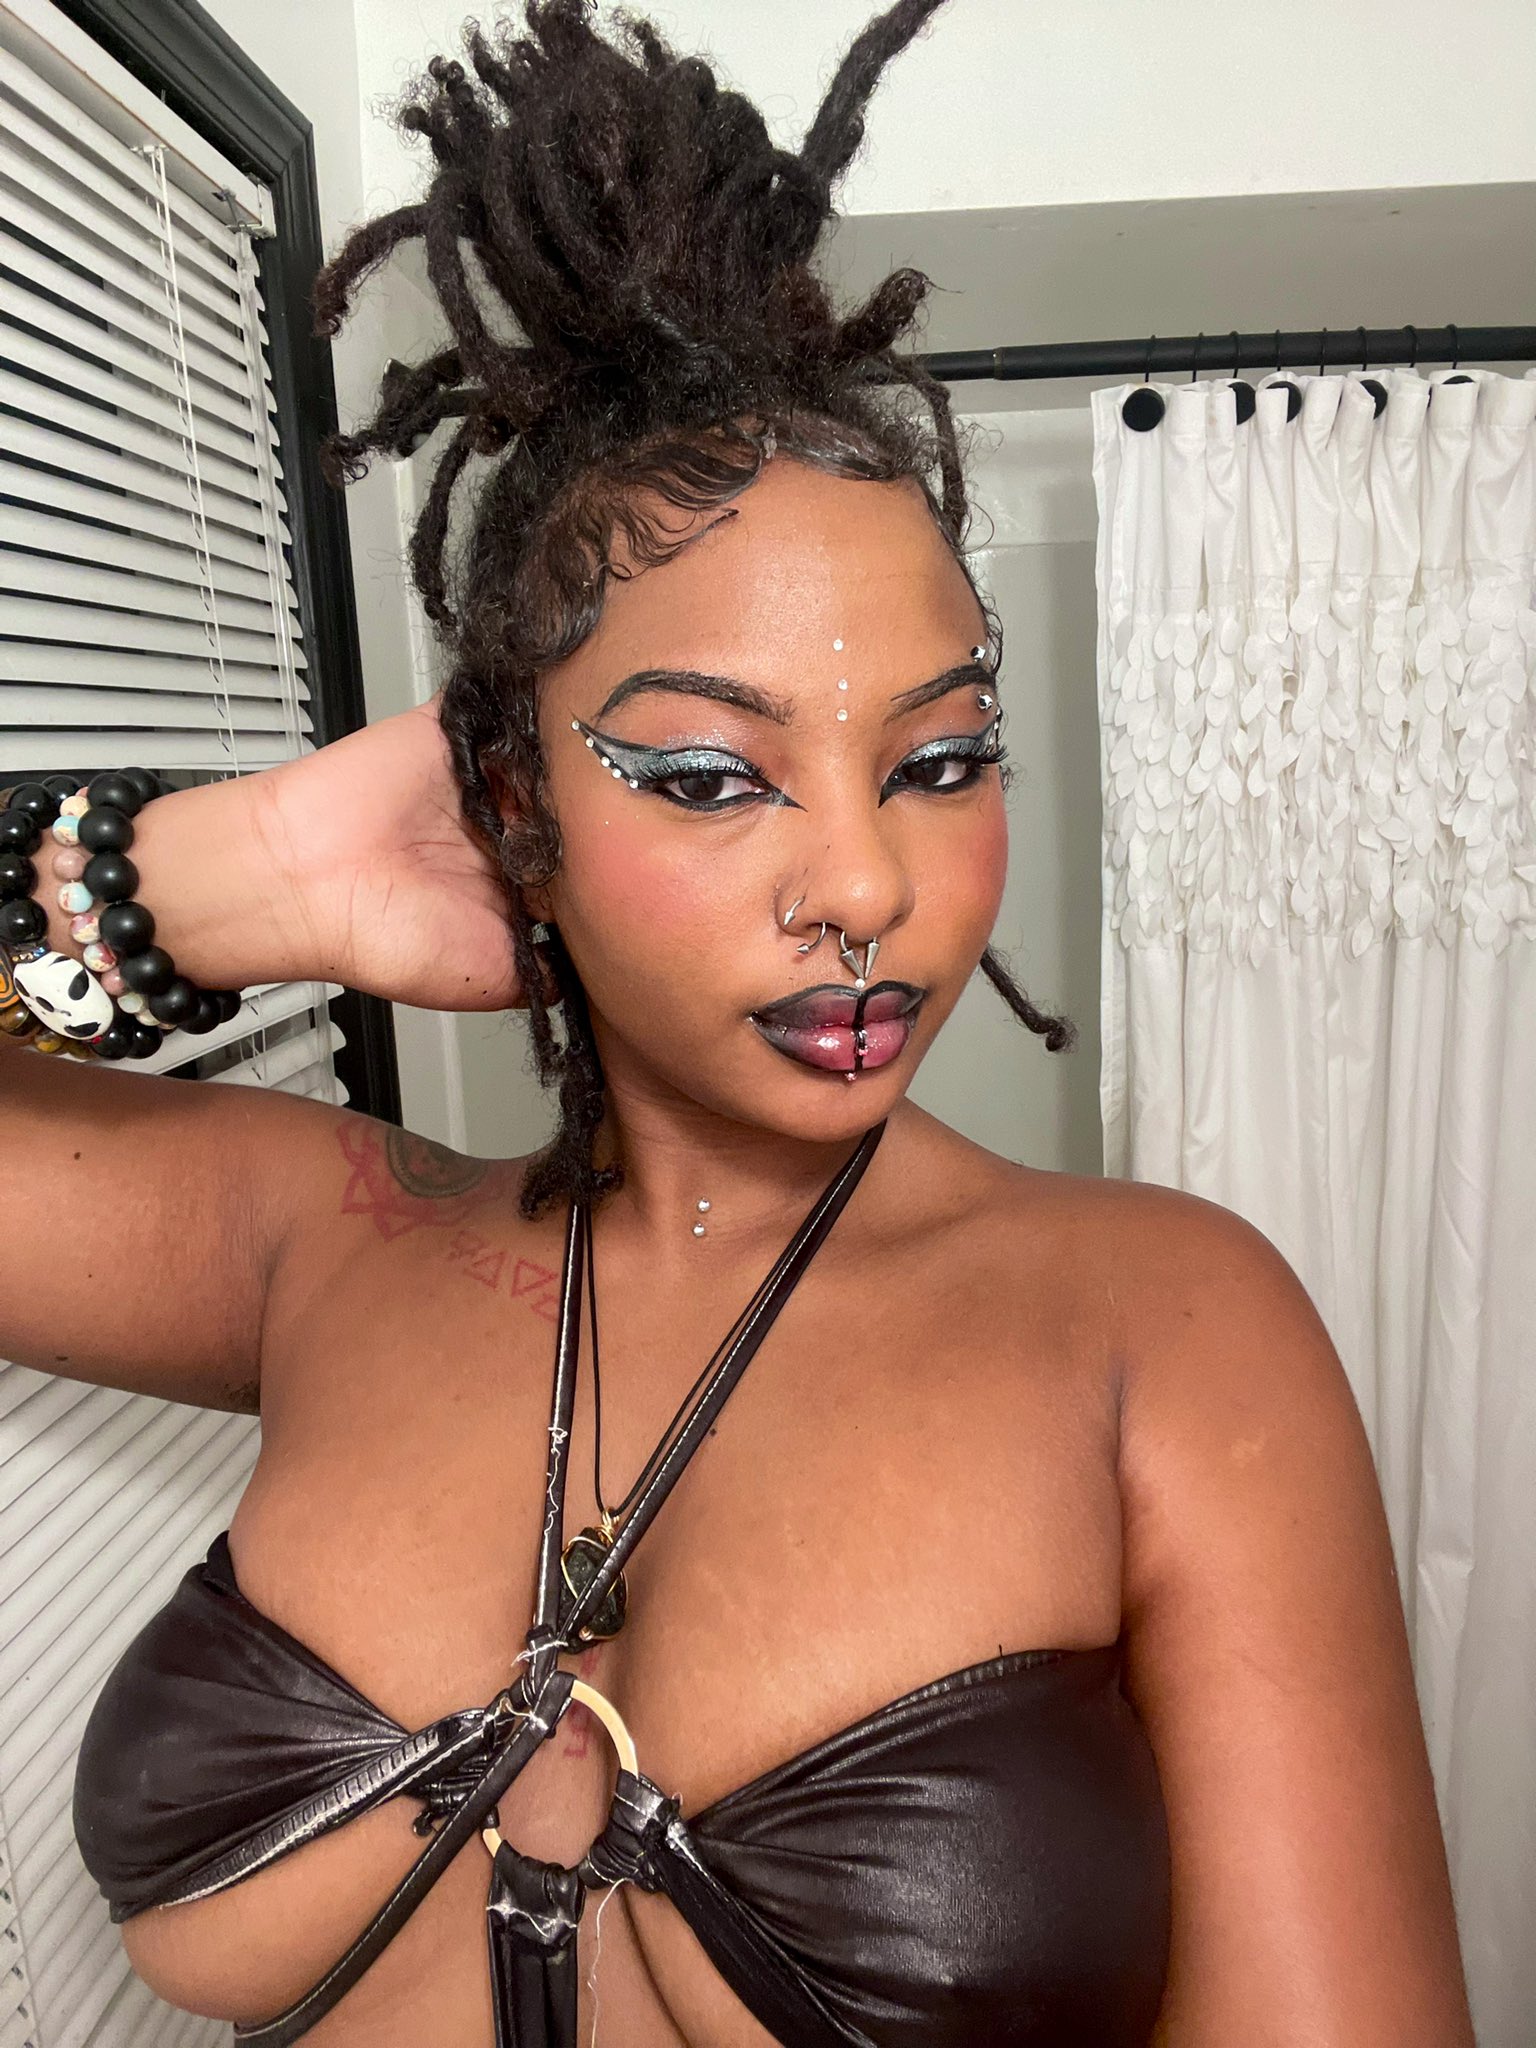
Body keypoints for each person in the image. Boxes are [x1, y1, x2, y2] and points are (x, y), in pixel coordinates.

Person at [0, 1, 1474, 2042]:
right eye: (710, 775)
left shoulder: (1166, 1329)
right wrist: (236, 877)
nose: (865, 884)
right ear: (515, 803)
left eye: (941, 761)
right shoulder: (319, 1247)